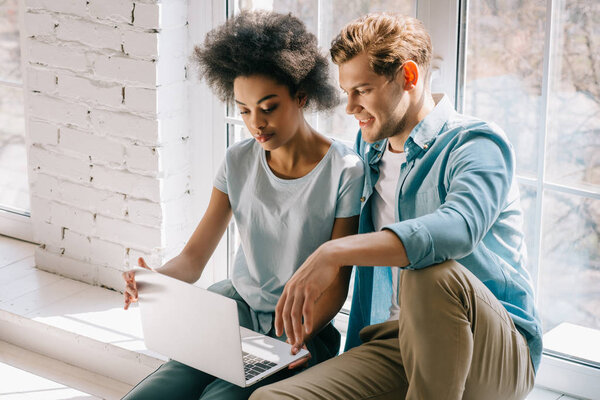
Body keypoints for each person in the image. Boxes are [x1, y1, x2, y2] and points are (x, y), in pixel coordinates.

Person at [251, 12, 542, 400]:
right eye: (346, 91)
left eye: (363, 90)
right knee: (270, 398)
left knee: (428, 273)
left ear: (408, 76)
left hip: (493, 349)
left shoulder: (476, 144)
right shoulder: (366, 150)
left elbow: (458, 229)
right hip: (397, 341)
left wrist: (334, 252)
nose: (350, 107)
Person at [120, 10, 365, 400]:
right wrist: (153, 281)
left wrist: (294, 340)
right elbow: (194, 258)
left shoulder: (345, 170)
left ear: (301, 96)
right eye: (245, 109)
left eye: (269, 107)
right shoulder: (238, 160)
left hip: (300, 331)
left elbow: (337, 284)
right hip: (230, 312)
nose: (256, 124)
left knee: (218, 398)